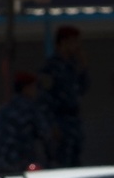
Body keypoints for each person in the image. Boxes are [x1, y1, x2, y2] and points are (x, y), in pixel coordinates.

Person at [38, 25, 89, 167]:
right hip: (59, 121)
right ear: (63, 42)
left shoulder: (73, 66)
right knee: (61, 163)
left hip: (73, 121)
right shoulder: (51, 67)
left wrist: (83, 68)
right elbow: (44, 100)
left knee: (75, 163)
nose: (77, 46)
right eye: (74, 42)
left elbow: (83, 89)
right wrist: (52, 125)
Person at [0, 71, 51, 173]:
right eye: (34, 87)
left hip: (0, 163)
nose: (36, 91)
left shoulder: (5, 109)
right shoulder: (30, 109)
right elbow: (45, 134)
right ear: (26, 88)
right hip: (20, 164)